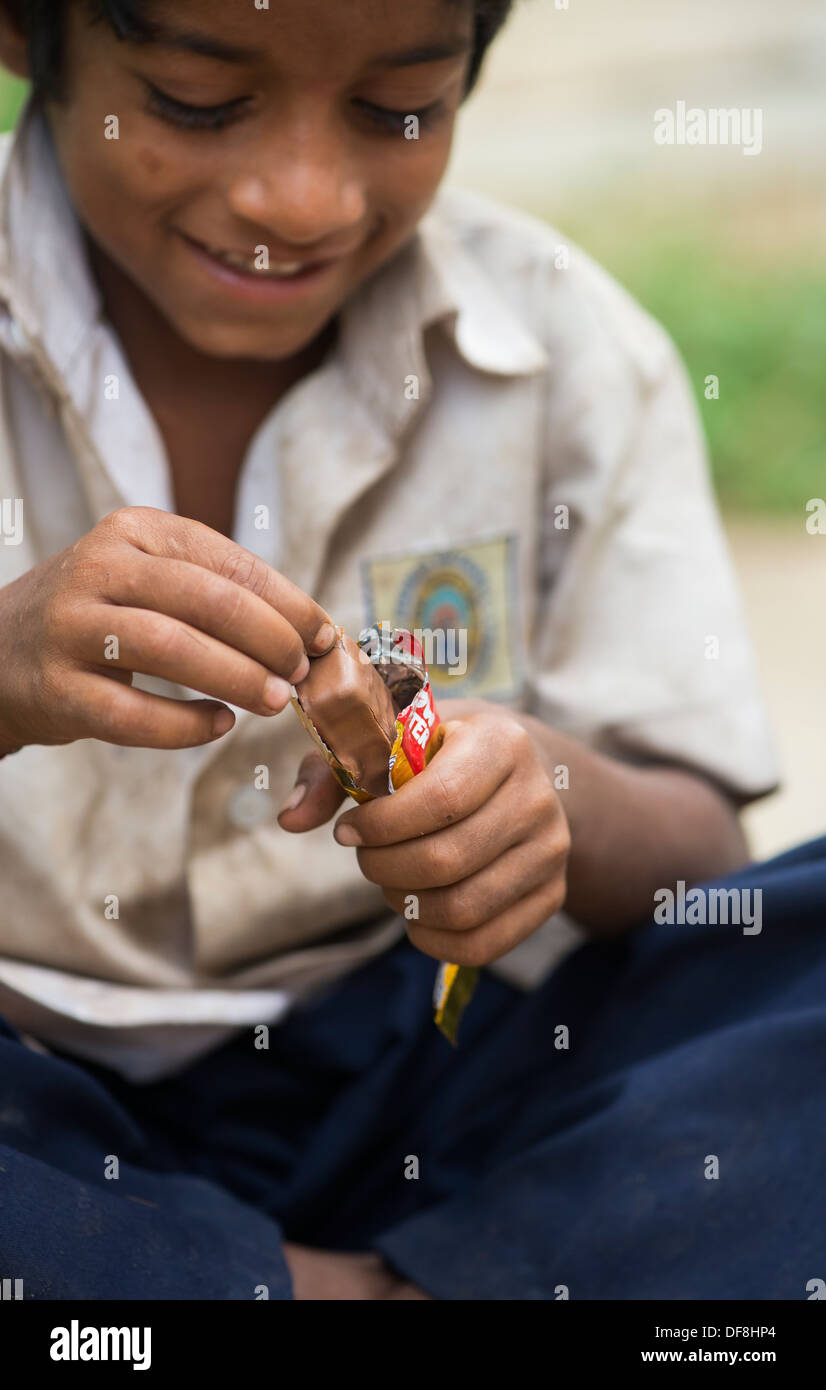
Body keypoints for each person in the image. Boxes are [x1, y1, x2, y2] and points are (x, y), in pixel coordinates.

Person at [0, 0, 779, 1299]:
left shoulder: (574, 357)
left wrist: (549, 798)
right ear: (30, 26)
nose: (299, 198)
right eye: (197, 100)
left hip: (417, 1071)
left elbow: (707, 875)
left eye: (397, 108)